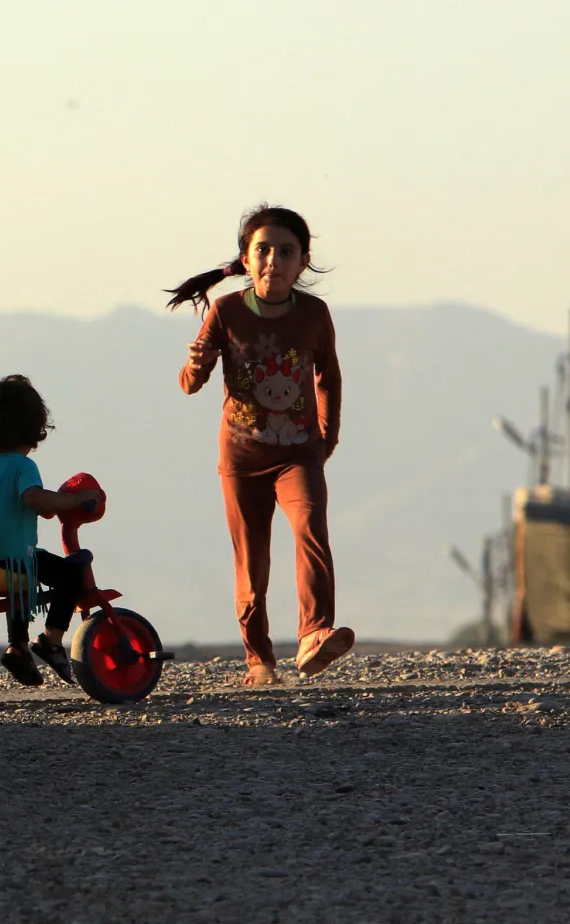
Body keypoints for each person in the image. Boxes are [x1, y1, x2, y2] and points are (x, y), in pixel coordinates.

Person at [167, 204, 354, 686]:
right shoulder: (226, 310)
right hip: (242, 460)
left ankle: (314, 635)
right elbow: (190, 384)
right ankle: (259, 659)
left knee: (311, 529)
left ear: (303, 261)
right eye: (264, 250)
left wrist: (325, 440)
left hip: (298, 454)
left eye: (286, 252)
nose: (274, 260)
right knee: (252, 561)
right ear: (246, 260)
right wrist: (196, 362)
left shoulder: (315, 314)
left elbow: (328, 377)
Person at [0, 374, 100, 686]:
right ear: (32, 428)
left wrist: (52, 503)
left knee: (21, 580)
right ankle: (51, 640)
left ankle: (19, 647)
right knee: (70, 575)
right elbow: (33, 498)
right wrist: (74, 499)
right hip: (12, 558)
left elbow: (16, 502)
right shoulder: (22, 467)